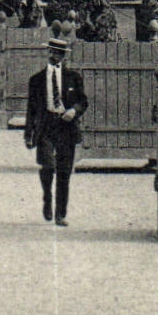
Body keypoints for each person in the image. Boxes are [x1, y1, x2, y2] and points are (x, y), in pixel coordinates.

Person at [24, 35, 90, 226]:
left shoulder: (73, 78)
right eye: (53, 52)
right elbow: (31, 110)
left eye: (60, 53)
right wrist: (28, 134)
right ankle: (47, 198)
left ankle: (60, 214)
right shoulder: (36, 80)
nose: (56, 56)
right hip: (46, 126)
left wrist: (73, 111)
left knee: (64, 171)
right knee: (48, 166)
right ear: (48, 52)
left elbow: (83, 101)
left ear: (64, 56)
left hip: (66, 127)